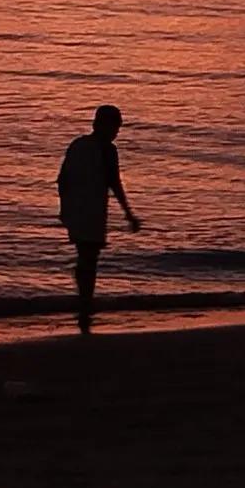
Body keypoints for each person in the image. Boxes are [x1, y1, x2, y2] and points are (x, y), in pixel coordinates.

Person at [57, 103, 141, 331]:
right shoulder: (107, 150)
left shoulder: (77, 145)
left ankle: (84, 301)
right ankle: (85, 303)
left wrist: (64, 208)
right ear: (104, 125)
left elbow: (62, 180)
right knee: (89, 258)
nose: (116, 133)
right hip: (91, 211)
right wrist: (129, 214)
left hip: (78, 209)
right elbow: (115, 183)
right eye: (115, 128)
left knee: (85, 256)